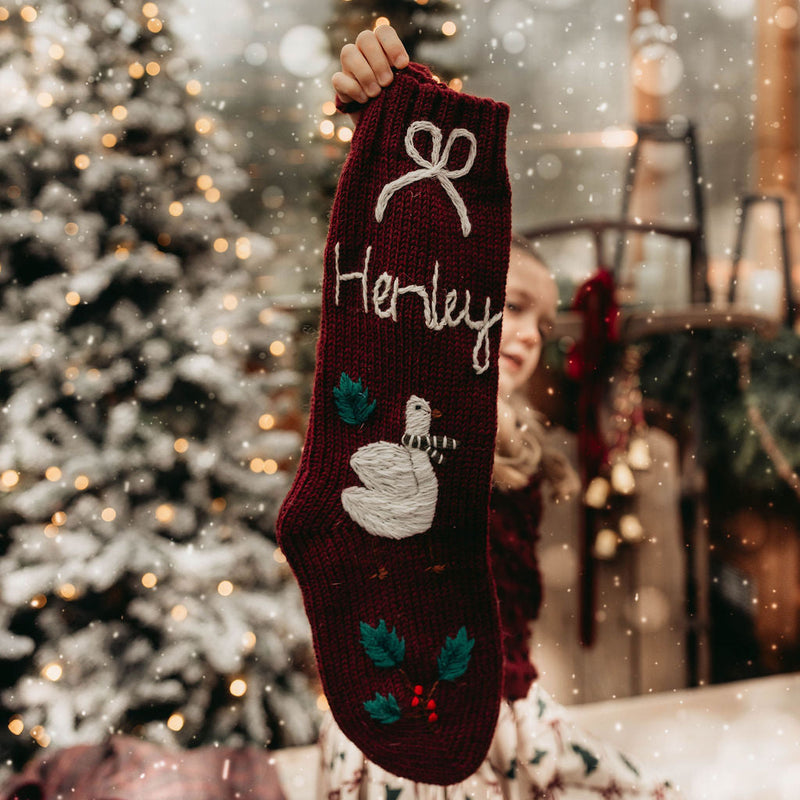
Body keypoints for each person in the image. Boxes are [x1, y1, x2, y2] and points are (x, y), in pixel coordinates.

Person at [319, 27, 682, 799]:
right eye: (511, 308)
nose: (526, 336)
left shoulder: (519, 438)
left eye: (543, 326)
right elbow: (387, 292)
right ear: (460, 308)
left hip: (509, 700)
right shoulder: (425, 421)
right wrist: (378, 115)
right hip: (411, 713)